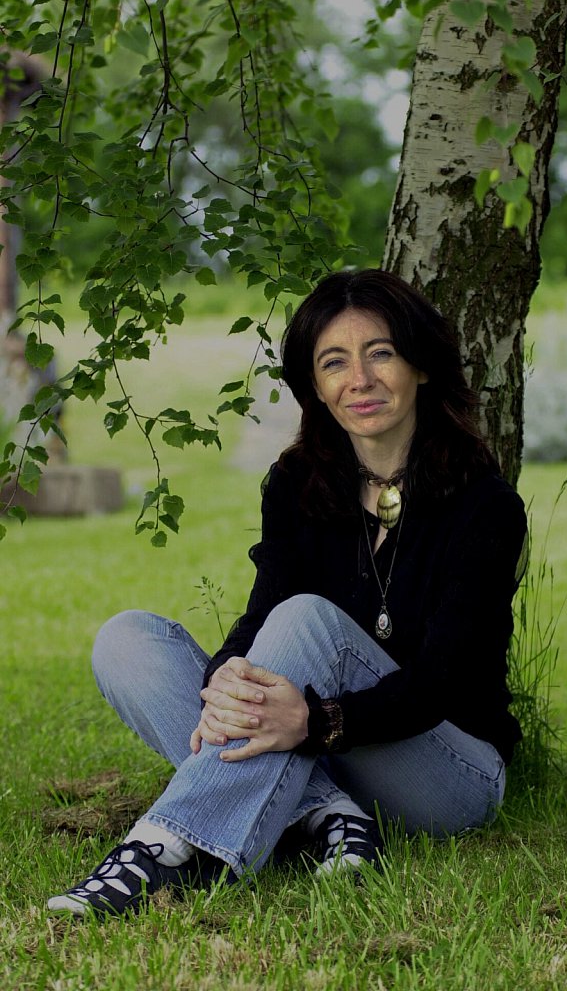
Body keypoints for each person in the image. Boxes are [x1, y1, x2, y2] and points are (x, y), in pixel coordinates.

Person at [48, 268, 528, 917]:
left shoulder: (484, 506)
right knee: (128, 641)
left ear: (420, 365)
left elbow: (442, 680)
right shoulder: (300, 482)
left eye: (380, 352)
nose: (359, 378)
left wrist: (321, 720)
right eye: (334, 362)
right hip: (331, 751)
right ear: (317, 389)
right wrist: (224, 681)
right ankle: (328, 817)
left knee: (307, 619)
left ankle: (164, 846)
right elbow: (260, 614)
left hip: (448, 771)